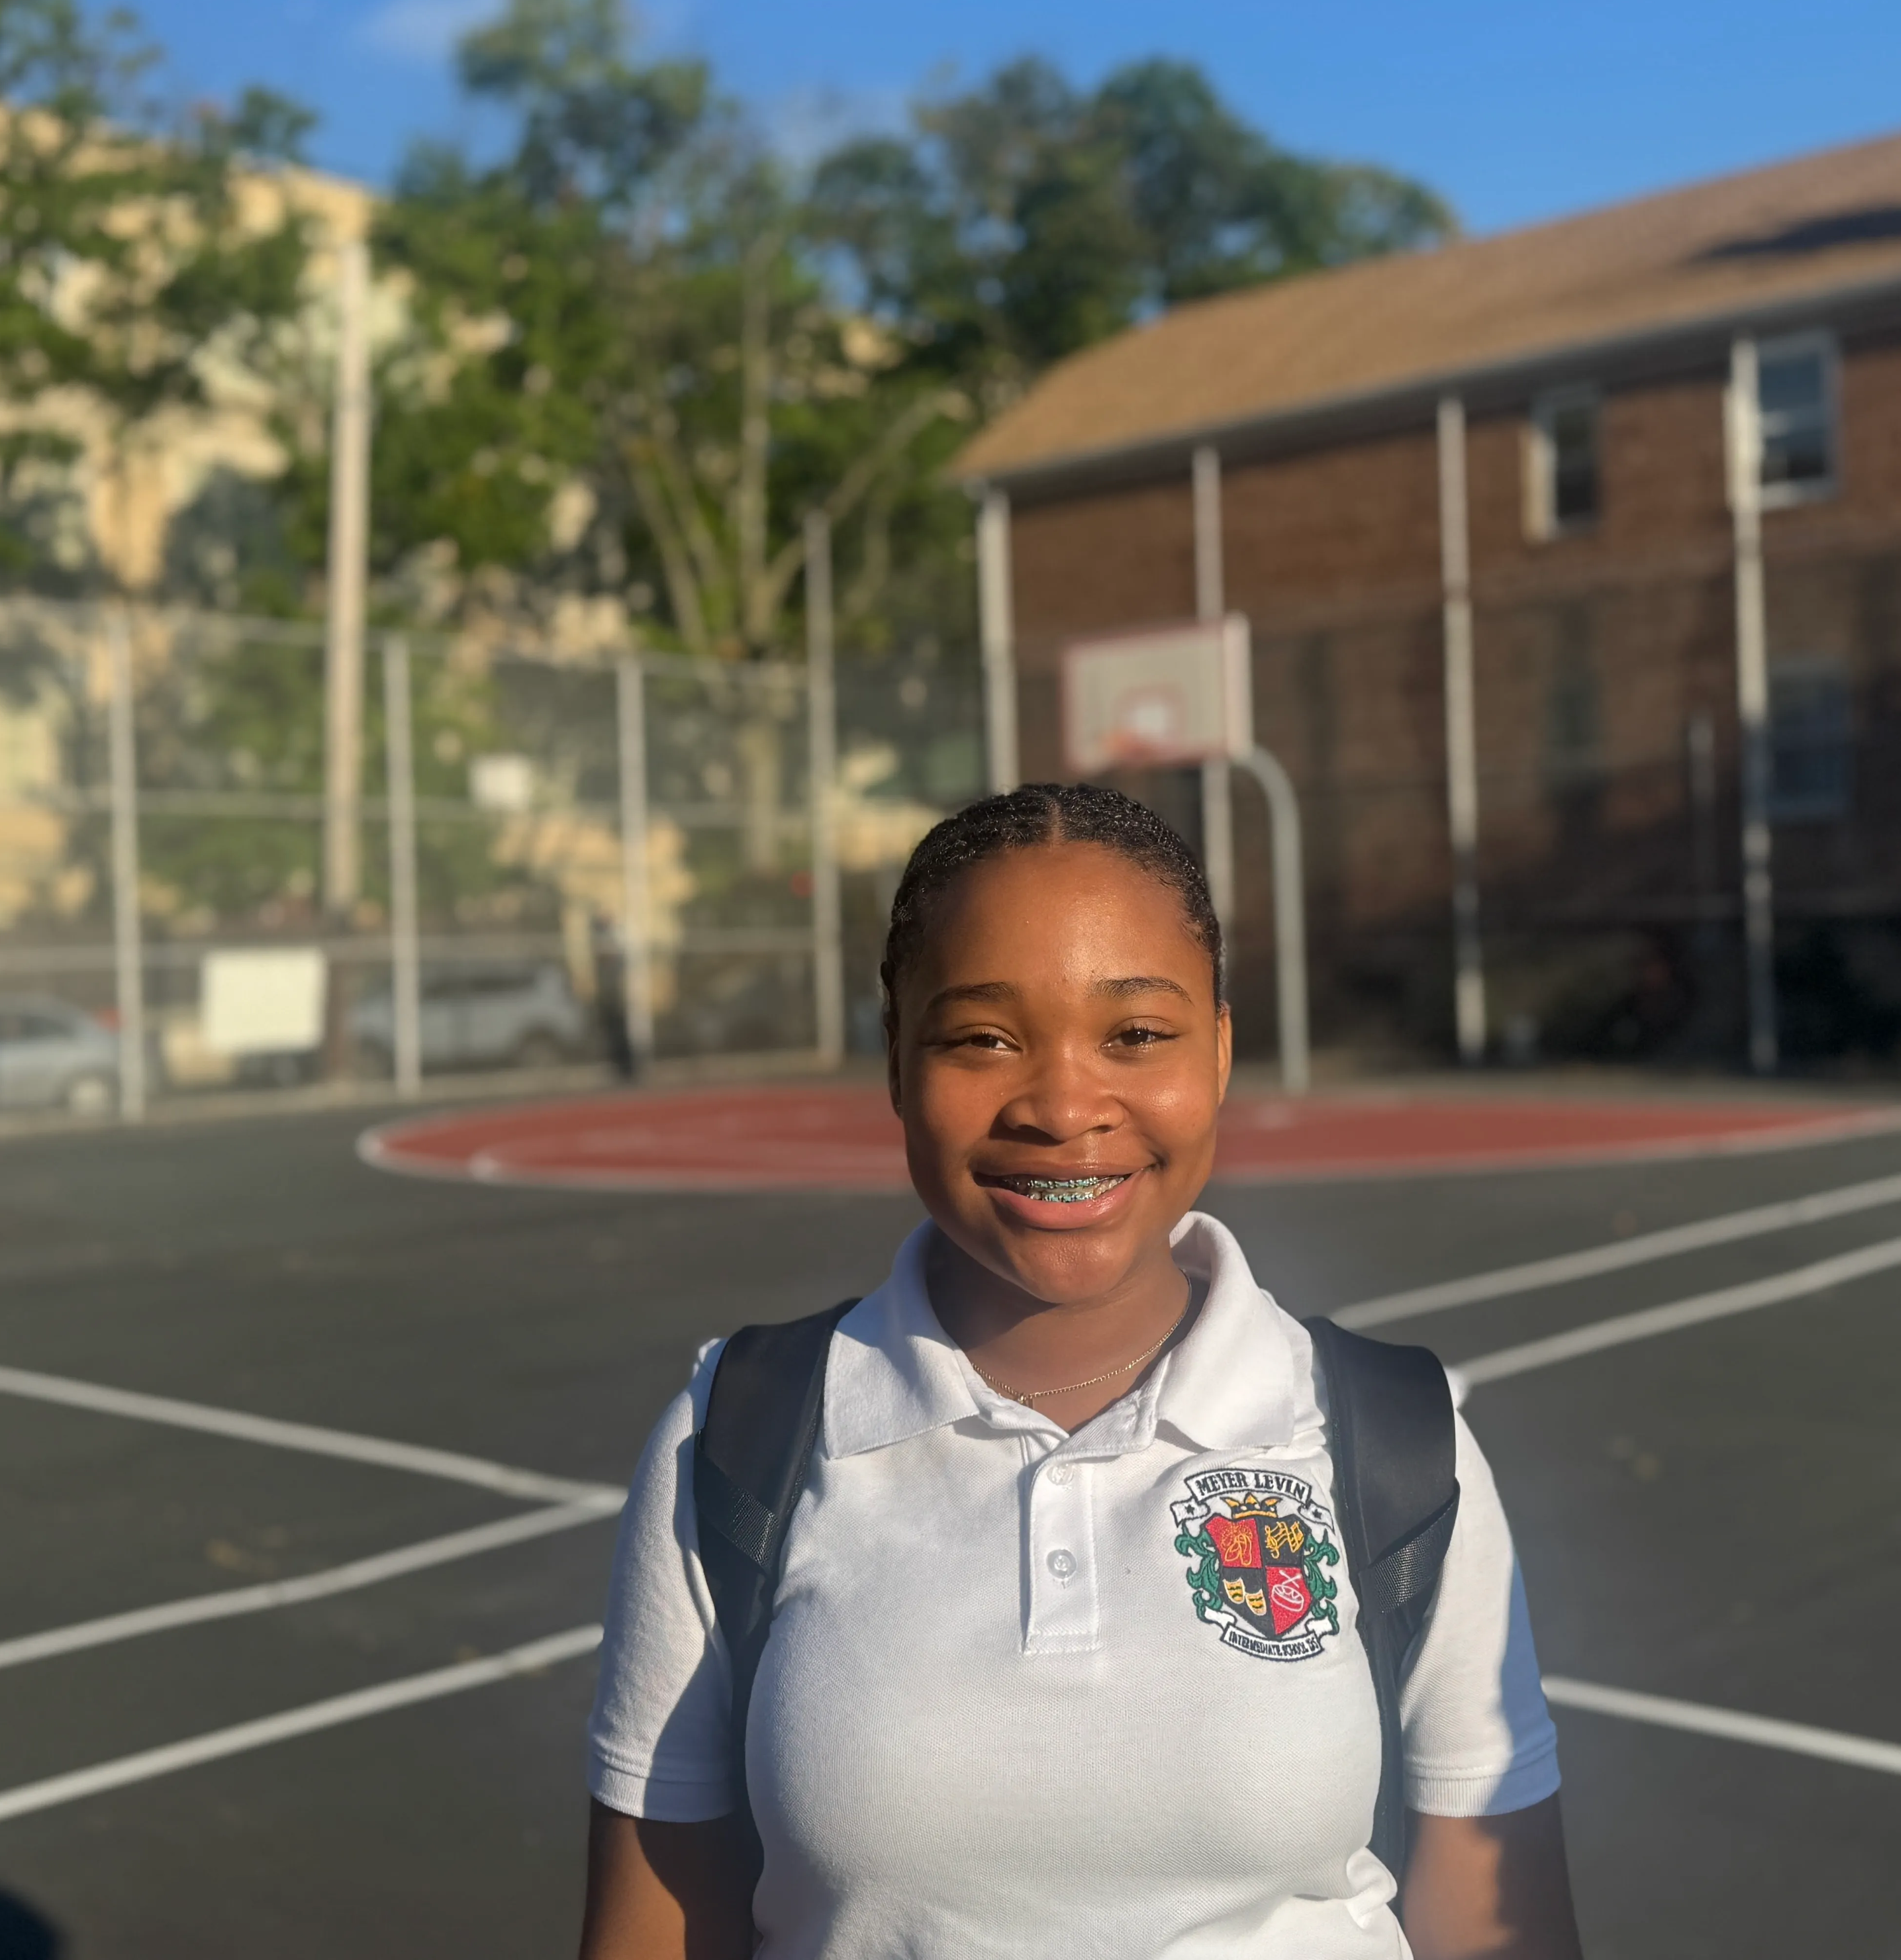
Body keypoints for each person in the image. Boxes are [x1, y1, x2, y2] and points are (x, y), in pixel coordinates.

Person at [579, 784, 1583, 1959]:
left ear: (1216, 1050)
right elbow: (655, 1928)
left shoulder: (1393, 1436)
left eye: (1136, 1036)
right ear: (896, 1061)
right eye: (981, 1038)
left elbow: (1496, 1920)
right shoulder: (737, 1438)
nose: (1063, 1106)